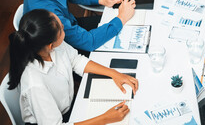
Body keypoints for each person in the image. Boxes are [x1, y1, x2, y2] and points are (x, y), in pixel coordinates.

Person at [8, 9, 138, 124]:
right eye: (61, 28)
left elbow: (76, 61)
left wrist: (114, 73)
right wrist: (106, 118)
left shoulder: (50, 46)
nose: (63, 25)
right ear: (50, 45)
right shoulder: (35, 84)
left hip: (68, 106)